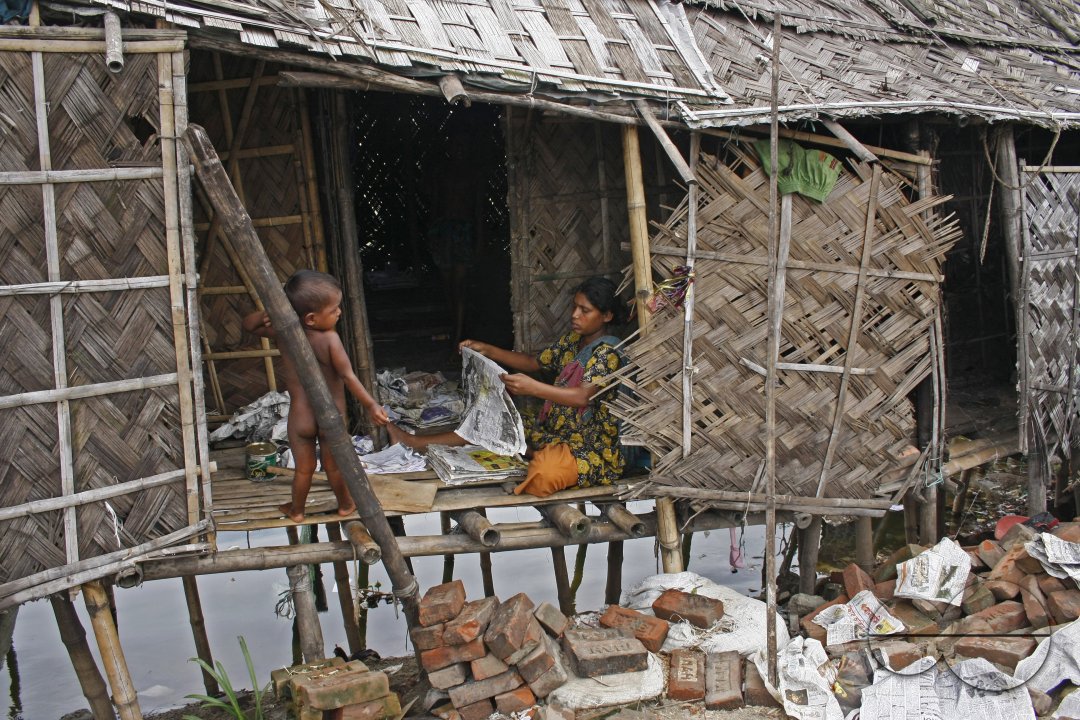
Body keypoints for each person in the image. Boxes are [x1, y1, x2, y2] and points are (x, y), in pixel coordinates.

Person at [387, 277, 627, 497]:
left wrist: (533, 388)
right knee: (492, 421)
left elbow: (582, 397)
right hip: (556, 432)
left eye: (585, 310)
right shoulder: (573, 341)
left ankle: (532, 455)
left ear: (606, 316)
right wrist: (488, 350)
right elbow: (534, 362)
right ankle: (416, 442)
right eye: (574, 307)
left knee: (545, 472)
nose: (575, 315)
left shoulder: (608, 352)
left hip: (589, 446)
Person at [243, 270, 389, 523]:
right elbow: (348, 377)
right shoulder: (330, 339)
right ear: (311, 319)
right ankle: (345, 505)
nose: (339, 313)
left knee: (303, 469)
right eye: (334, 310)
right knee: (333, 466)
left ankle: (297, 510)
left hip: (300, 418)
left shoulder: (284, 334)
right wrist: (372, 405)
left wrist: (266, 315)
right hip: (331, 416)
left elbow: (249, 325)